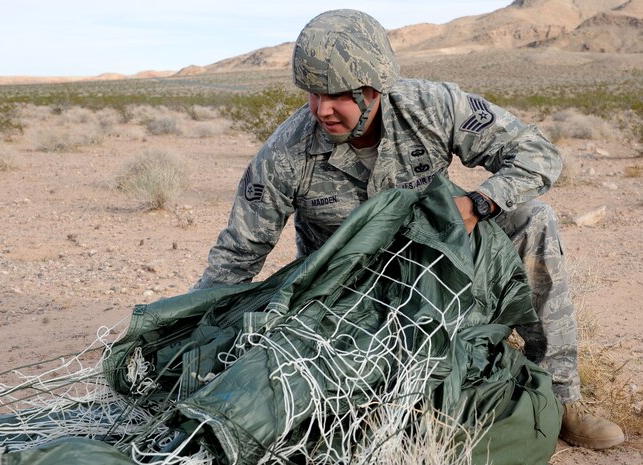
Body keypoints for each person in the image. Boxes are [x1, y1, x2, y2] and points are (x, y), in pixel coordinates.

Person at [192, 9, 624, 450]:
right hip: (350, 302)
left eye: (338, 95)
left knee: (534, 219)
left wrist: (479, 203)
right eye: (313, 93)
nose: (322, 109)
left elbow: (537, 154)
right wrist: (192, 332)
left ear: (374, 88)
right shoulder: (286, 153)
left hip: (440, 272)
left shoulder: (432, 107)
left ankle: (561, 398)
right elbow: (237, 253)